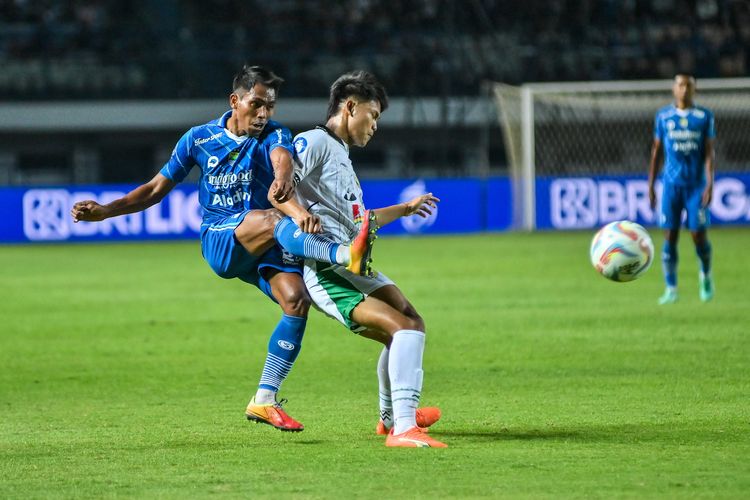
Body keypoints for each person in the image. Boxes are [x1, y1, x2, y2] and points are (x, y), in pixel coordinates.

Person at [70, 65, 377, 432]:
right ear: (236, 100)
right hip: (222, 236)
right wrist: (106, 211)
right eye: (256, 104)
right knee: (273, 219)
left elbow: (282, 163)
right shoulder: (198, 139)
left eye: (270, 107)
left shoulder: (275, 135)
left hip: (264, 244)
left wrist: (283, 177)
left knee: (296, 301)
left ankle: (264, 399)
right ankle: (345, 255)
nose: (263, 114)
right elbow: (154, 190)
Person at [290, 70, 445, 448]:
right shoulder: (313, 142)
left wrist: (405, 209)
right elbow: (279, 189)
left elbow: (362, 221)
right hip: (329, 272)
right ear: (350, 106)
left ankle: (391, 416)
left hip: (355, 267)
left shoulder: (340, 154)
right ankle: (403, 427)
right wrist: (298, 216)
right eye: (372, 115)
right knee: (402, 329)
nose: (375, 125)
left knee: (412, 320)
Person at [648, 74, 716, 305]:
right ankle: (671, 288)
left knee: (697, 234)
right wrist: (651, 185)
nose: (684, 89)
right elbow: (656, 152)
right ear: (673, 89)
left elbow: (708, 152)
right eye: (680, 85)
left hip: (696, 186)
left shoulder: (704, 117)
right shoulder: (663, 116)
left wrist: (710, 182)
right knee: (670, 235)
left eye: (688, 85)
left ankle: (705, 276)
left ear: (694, 89)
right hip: (670, 186)